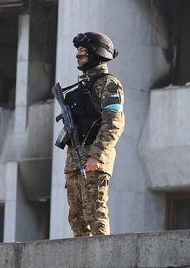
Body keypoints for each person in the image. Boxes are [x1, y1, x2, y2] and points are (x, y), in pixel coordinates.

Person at [62, 32, 124, 237]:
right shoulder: (81, 86)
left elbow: (114, 122)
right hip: (75, 161)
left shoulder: (108, 83)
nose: (78, 55)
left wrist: (96, 155)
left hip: (93, 161)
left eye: (82, 50)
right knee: (76, 218)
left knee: (95, 215)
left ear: (96, 52)